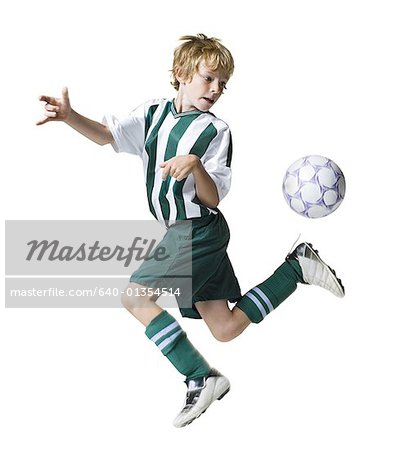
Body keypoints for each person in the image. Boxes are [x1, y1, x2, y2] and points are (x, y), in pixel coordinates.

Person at [37, 33, 345, 428]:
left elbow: (213, 198)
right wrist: (69, 117)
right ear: (182, 74)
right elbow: (108, 135)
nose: (215, 90)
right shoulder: (153, 114)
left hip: (196, 228)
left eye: (222, 84)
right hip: (187, 232)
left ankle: (200, 376)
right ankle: (296, 268)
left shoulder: (216, 132)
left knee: (135, 297)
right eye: (208, 79)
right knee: (226, 327)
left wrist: (196, 165)